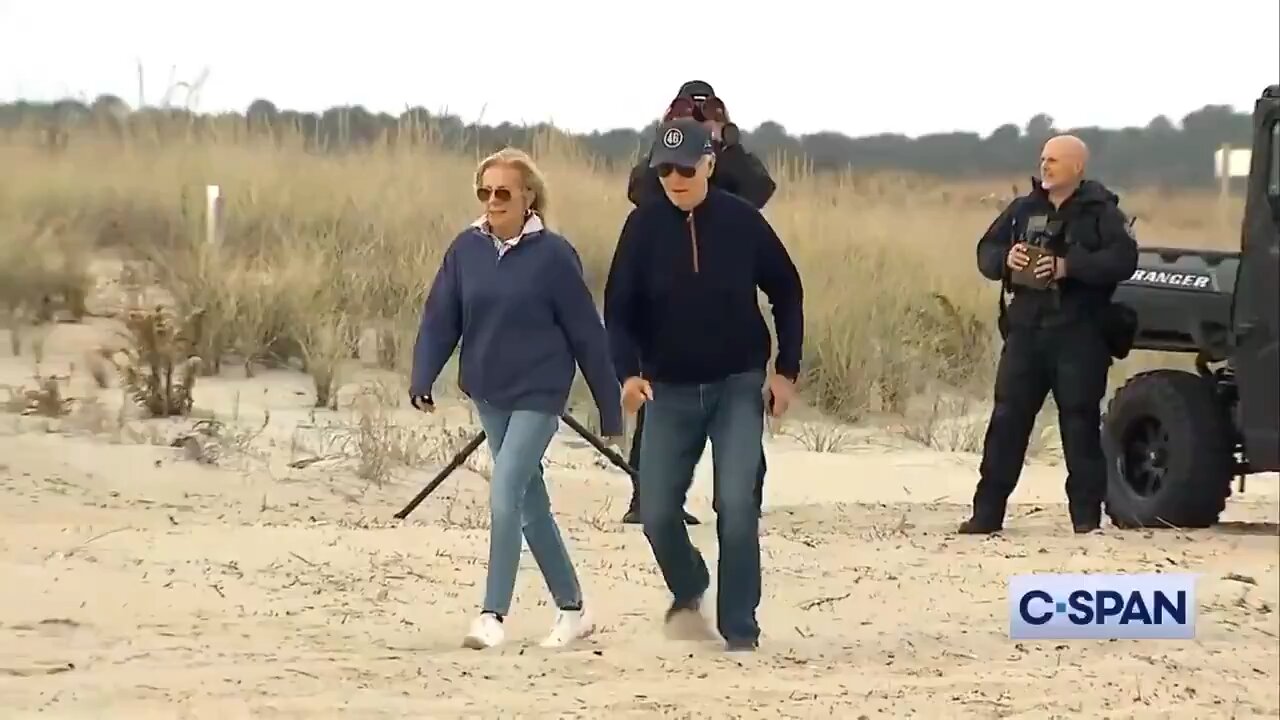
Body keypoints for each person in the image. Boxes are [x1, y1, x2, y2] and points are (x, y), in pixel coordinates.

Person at [409, 147, 624, 649]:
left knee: (505, 491)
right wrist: (424, 374)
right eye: (484, 192)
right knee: (530, 505)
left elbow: (587, 334)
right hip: (489, 390)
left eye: (503, 192)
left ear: (528, 197)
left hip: (540, 391)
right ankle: (573, 610)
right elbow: (442, 316)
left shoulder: (553, 255)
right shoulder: (466, 249)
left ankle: (492, 615)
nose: (492, 201)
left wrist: (609, 406)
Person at [604, 118, 805, 651]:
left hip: (737, 384)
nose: (675, 178)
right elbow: (618, 312)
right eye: (664, 168)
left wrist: (786, 371)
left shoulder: (743, 222)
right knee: (656, 512)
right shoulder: (642, 228)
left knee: (736, 505)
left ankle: (740, 630)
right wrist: (627, 373)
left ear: (710, 165)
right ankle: (689, 584)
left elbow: (787, 290)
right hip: (666, 389)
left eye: (686, 167)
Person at [959, 134, 1139, 535]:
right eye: (1043, 159)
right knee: (1007, 421)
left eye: (1055, 160)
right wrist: (1006, 260)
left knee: (1079, 424)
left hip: (1079, 334)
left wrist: (1067, 267)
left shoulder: (1100, 212)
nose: (1045, 166)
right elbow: (985, 250)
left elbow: (1123, 259)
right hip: (1026, 332)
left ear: (1077, 167)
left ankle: (1086, 520)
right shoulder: (1023, 209)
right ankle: (986, 514)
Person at [620, 80, 778, 525]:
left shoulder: (727, 167)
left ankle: (743, 497)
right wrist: (671, 140)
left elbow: (761, 190)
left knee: (739, 404)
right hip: (665, 296)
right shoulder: (663, 167)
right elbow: (639, 190)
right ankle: (645, 496)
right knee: (658, 398)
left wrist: (727, 145)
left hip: (726, 289)